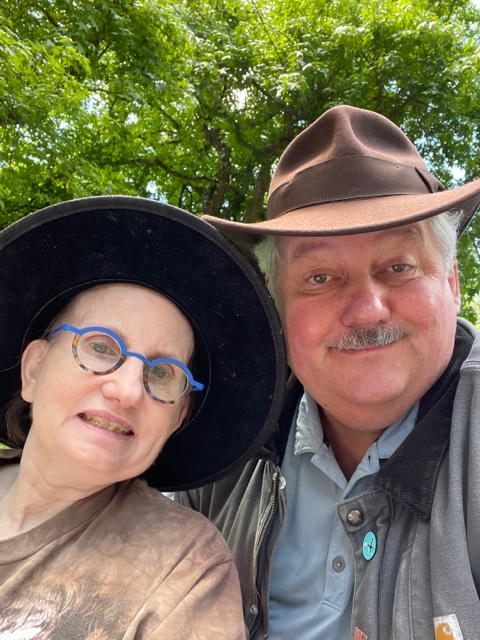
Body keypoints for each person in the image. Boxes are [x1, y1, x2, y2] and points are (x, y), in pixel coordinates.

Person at [176, 105, 480, 640]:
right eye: (320, 277)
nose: (367, 311)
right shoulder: (216, 447)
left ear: (452, 283)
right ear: (276, 307)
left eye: (399, 267)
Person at [0, 196, 286, 639]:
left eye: (163, 373)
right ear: (34, 369)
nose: (128, 390)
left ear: (178, 417)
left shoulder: (185, 571)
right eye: (100, 347)